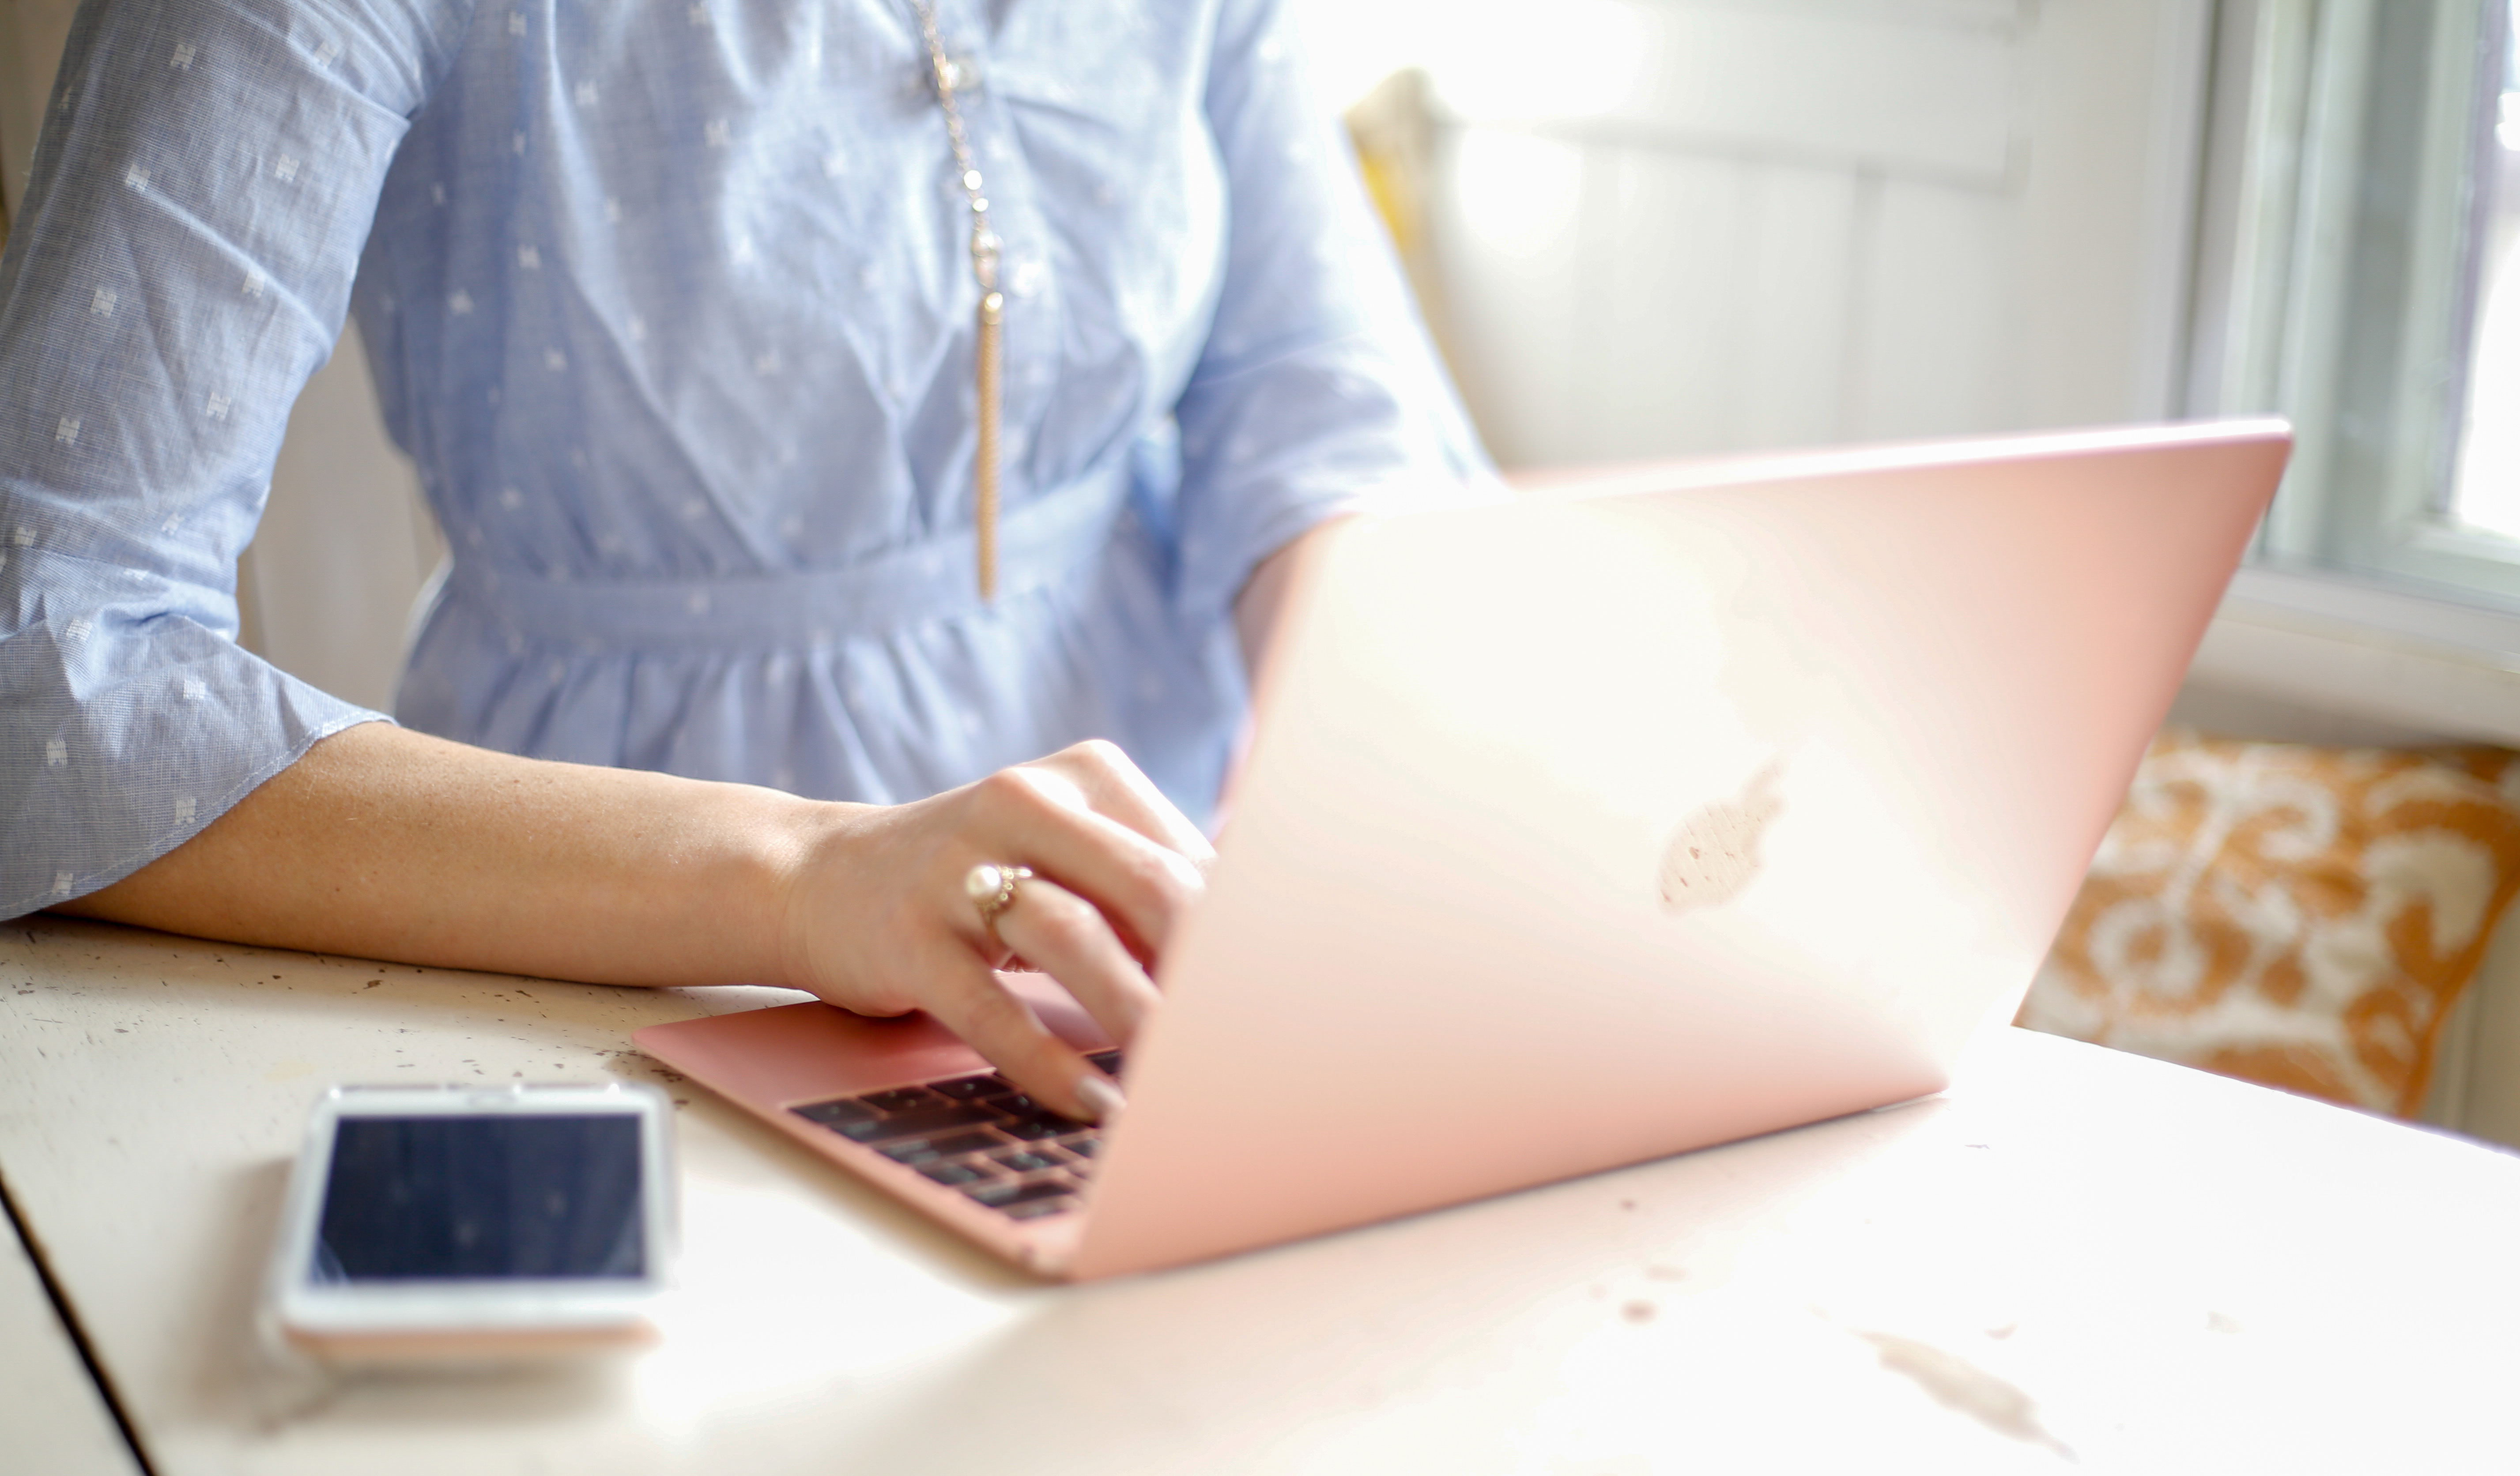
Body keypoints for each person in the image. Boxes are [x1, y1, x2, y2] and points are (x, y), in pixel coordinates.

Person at [0, 0, 1488, 1119]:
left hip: (1177, 952)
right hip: (629, 952)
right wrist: (815, 873)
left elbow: (1316, 404)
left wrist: (1393, 790)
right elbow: (45, 676)